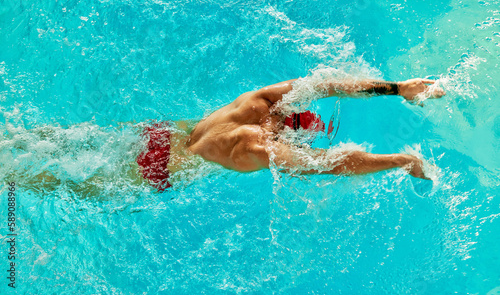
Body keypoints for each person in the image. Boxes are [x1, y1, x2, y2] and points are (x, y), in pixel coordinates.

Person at [137, 77, 446, 192]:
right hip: (153, 173)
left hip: (161, 134)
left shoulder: (261, 101)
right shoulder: (255, 148)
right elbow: (332, 163)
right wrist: (398, 160)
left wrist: (397, 89)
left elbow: (328, 84)